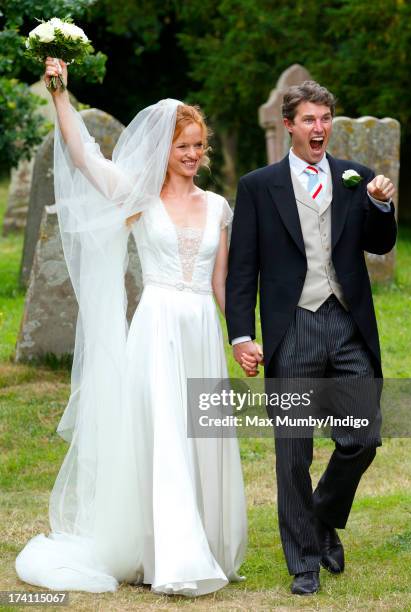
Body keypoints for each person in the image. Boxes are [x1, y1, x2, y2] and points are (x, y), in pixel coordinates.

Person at [15, 58, 247, 596]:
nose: (191, 155)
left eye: (197, 146)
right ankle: (170, 555)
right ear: (164, 150)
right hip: (158, 328)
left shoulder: (217, 206)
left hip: (202, 335)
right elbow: (84, 157)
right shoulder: (139, 199)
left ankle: (205, 543)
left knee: (198, 438)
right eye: (181, 146)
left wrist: (241, 336)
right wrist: (60, 97)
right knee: (163, 435)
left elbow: (222, 283)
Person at [225, 81, 397, 596]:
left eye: (325, 119)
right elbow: (242, 268)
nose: (319, 128)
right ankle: (303, 561)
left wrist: (381, 206)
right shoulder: (259, 185)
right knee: (293, 452)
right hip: (291, 327)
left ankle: (322, 515)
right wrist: (240, 335)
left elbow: (381, 244)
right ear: (290, 126)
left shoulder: (355, 179)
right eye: (309, 120)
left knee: (363, 436)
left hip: (347, 324)